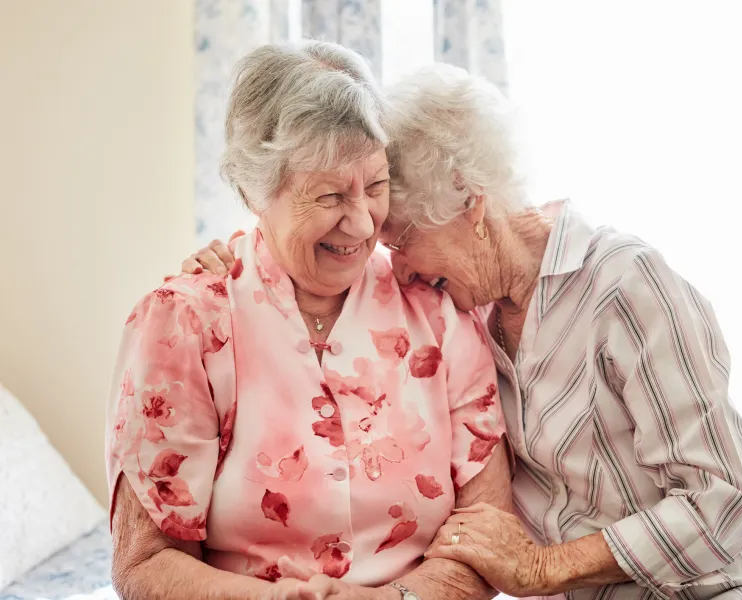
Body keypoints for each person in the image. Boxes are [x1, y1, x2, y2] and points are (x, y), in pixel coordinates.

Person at [189, 63, 742, 600]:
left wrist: (543, 567)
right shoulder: (459, 314)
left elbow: (731, 497)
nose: (394, 267)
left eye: (400, 240)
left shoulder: (625, 285)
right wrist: (236, 267)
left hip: (714, 590)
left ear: (471, 207)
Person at [106, 42, 511, 600]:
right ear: (254, 190)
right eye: (328, 195)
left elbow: (488, 527)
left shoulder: (436, 310)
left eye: (375, 186)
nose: (362, 220)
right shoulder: (186, 325)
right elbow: (146, 562)